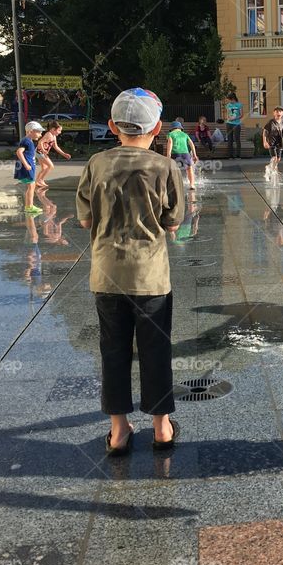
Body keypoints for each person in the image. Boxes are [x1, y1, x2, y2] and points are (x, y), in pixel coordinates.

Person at [76, 87, 184, 456]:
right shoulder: (165, 167)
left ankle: (119, 431)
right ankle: (162, 428)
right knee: (156, 349)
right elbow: (173, 223)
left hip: (106, 274)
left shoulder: (96, 164)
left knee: (113, 350)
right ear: (157, 130)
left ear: (111, 126)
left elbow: (85, 218)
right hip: (150, 276)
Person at [14, 121, 45, 214]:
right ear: (31, 131)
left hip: (29, 167)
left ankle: (29, 206)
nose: (40, 134)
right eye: (38, 132)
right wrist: (26, 164)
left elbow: (29, 153)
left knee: (31, 186)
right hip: (26, 167)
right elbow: (19, 152)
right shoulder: (26, 141)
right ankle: (29, 207)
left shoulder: (29, 141)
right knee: (31, 186)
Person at [35, 121, 72, 190]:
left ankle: (38, 181)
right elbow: (40, 142)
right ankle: (40, 180)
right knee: (50, 166)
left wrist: (64, 154)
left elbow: (56, 147)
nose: (60, 132)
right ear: (53, 129)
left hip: (40, 152)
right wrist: (43, 150)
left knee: (44, 168)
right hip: (40, 152)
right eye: (59, 130)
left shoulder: (53, 136)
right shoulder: (48, 134)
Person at [262, 106, 283, 180]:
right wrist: (265, 142)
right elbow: (264, 132)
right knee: (274, 158)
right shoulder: (271, 122)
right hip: (271, 142)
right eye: (277, 111)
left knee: (278, 159)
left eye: (280, 111)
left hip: (279, 143)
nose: (278, 113)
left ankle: (269, 167)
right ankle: (273, 172)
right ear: (274, 113)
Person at [165, 120, 199, 191]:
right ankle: (192, 184)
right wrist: (194, 155)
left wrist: (168, 155)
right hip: (185, 154)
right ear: (180, 128)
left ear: (172, 128)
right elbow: (191, 144)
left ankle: (173, 184)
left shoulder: (170, 134)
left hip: (175, 153)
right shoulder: (185, 134)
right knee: (189, 169)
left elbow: (170, 143)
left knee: (173, 170)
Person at [224, 93, 243, 159]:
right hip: (229, 123)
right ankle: (230, 155)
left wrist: (235, 118)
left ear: (233, 99)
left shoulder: (239, 105)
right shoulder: (228, 105)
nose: (229, 101)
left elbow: (241, 115)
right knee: (230, 139)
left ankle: (238, 155)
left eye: (230, 100)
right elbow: (227, 114)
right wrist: (228, 118)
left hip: (236, 124)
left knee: (237, 139)